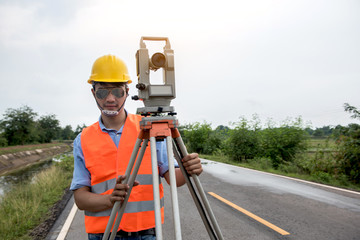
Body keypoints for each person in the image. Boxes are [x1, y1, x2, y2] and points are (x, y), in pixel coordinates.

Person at [70, 54, 203, 240]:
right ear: (93, 93)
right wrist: (109, 199)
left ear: (127, 91)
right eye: (102, 92)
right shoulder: (83, 139)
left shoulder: (149, 128)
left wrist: (189, 170)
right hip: (103, 235)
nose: (110, 98)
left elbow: (174, 179)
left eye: (117, 91)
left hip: (145, 234)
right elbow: (80, 199)